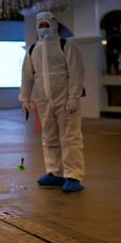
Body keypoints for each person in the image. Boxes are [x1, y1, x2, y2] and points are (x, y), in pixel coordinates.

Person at [20, 11, 86, 193]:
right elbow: (27, 76)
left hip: (65, 100)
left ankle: (73, 175)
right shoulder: (33, 50)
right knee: (49, 137)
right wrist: (24, 98)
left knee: (70, 137)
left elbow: (76, 72)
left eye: (46, 25)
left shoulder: (66, 46)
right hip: (44, 101)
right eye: (40, 26)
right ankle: (54, 172)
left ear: (54, 25)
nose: (44, 29)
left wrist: (74, 96)